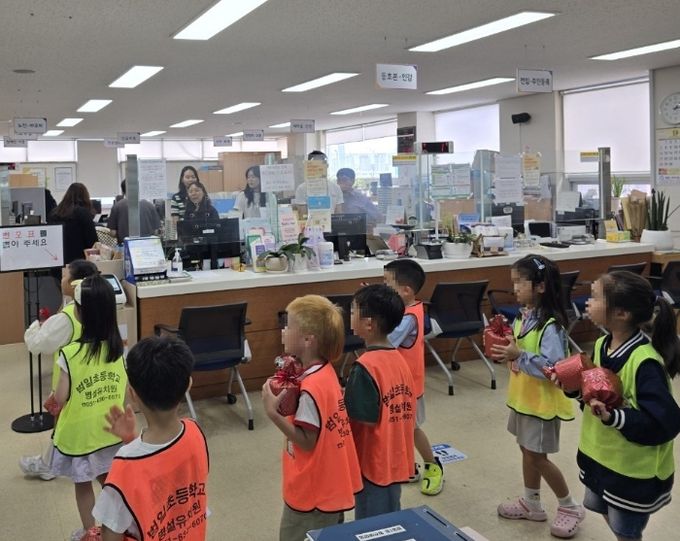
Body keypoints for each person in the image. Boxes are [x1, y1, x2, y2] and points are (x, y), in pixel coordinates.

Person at [572, 270, 680, 541]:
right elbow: (595, 395)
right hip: (601, 459)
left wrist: (614, 417)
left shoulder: (645, 363)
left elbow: (664, 423)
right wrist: (573, 388)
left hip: (631, 473)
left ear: (621, 313)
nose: (588, 302)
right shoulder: (601, 344)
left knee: (626, 531)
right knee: (611, 518)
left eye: (596, 297)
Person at [491, 255, 584, 539]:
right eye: (513, 282)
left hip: (542, 405)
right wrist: (507, 349)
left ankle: (570, 506)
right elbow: (521, 351)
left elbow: (553, 367)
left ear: (540, 286)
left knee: (538, 457)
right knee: (527, 450)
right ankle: (531, 502)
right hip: (524, 399)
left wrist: (519, 355)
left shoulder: (550, 325)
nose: (514, 288)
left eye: (520, 282)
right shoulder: (524, 315)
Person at [261, 295, 362, 541]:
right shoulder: (324, 372)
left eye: (288, 326)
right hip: (330, 483)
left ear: (307, 339)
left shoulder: (310, 389)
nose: (283, 331)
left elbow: (307, 441)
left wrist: (273, 414)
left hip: (313, 491)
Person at [93, 336, 209, 541]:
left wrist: (131, 446)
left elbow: (111, 533)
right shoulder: (195, 432)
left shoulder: (124, 466)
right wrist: (132, 440)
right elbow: (166, 472)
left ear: (132, 394)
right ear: (188, 385)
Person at [50, 275, 127, 541]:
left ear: (80, 313)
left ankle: (90, 532)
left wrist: (53, 397)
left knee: (82, 485)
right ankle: (116, 528)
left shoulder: (70, 354)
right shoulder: (118, 351)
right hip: (110, 431)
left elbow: (61, 397)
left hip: (80, 436)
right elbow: (123, 391)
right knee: (109, 482)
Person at [20, 259, 100, 481]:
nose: (61, 280)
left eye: (64, 277)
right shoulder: (101, 306)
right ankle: (52, 461)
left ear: (75, 284)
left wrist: (38, 325)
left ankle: (50, 466)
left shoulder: (68, 317)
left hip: (69, 382)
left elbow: (37, 345)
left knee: (62, 422)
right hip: (95, 379)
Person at [345, 284, 416, 519]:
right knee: (390, 513)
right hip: (395, 454)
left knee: (372, 523)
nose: (349, 316)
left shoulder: (365, 366)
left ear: (368, 324)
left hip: (373, 461)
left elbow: (362, 418)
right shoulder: (399, 359)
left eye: (353, 311)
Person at [383, 259, 443, 496]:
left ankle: (433, 465)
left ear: (406, 291)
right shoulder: (406, 308)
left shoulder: (408, 317)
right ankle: (409, 467)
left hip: (408, 385)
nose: (383, 288)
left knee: (412, 429)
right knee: (400, 427)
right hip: (397, 382)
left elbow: (386, 341)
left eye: (387, 284)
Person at [48, 182, 98, 265]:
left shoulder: (54, 213)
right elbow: (92, 241)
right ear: (85, 197)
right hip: (79, 262)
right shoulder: (83, 213)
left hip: (57, 260)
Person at [107, 180, 161, 244]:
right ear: (138, 189)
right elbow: (156, 231)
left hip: (126, 246)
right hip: (148, 246)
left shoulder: (117, 206)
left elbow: (113, 233)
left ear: (122, 191)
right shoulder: (150, 205)